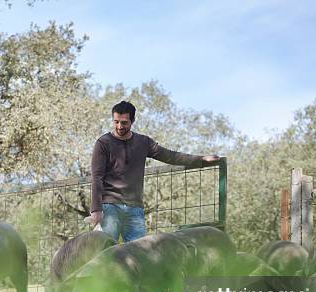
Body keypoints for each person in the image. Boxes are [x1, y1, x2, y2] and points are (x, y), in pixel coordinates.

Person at [89, 100, 220, 242]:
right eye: (116, 122)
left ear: (132, 120)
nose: (119, 126)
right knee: (105, 251)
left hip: (135, 208)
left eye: (124, 123)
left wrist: (200, 159)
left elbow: (170, 155)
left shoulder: (143, 142)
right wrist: (96, 210)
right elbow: (97, 177)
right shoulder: (103, 143)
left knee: (138, 255)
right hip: (109, 207)